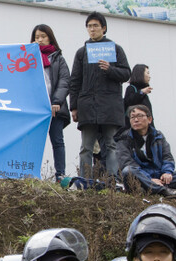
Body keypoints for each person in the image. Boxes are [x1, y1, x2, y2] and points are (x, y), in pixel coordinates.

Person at [69, 11, 130, 179]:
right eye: (89, 26)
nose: (92, 29)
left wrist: (110, 70)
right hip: (87, 106)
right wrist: (73, 106)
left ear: (104, 28)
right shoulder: (82, 52)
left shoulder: (116, 49)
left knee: (111, 145)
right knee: (86, 147)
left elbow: (126, 74)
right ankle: (85, 181)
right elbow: (75, 80)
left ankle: (112, 182)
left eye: (95, 25)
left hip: (110, 106)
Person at [30, 24, 70, 182]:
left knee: (57, 141)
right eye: (37, 37)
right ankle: (31, 173)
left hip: (54, 106)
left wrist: (56, 101)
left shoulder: (58, 58)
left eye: (43, 36)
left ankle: (60, 175)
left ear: (50, 38)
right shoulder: (28, 58)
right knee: (34, 142)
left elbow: (65, 81)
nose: (39, 40)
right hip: (36, 107)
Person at [117, 104, 176, 196]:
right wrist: (149, 180)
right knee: (128, 170)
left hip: (159, 176)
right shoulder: (123, 139)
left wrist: (167, 172)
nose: (136, 120)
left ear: (149, 119)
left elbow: (167, 157)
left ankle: (155, 188)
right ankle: (162, 191)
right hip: (140, 178)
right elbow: (126, 162)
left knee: (171, 175)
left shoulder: (158, 136)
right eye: (132, 117)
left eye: (139, 116)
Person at [122, 64, 153, 131]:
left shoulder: (144, 93)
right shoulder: (131, 88)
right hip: (134, 129)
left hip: (146, 129)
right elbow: (129, 102)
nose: (149, 77)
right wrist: (141, 92)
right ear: (140, 74)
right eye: (147, 73)